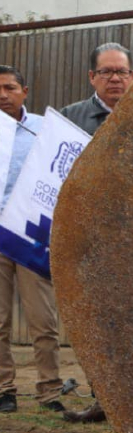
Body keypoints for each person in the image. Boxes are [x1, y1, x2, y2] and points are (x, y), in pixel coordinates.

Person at [62, 42, 133, 424]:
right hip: (91, 239)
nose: (115, 79)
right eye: (106, 72)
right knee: (95, 320)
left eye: (121, 72)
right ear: (92, 77)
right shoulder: (70, 120)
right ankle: (102, 400)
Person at [0, 66, 63, 415]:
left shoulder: (44, 129)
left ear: (25, 91)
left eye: (10, 88)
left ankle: (50, 390)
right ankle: (4, 390)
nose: (2, 95)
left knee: (43, 321)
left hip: (31, 236)